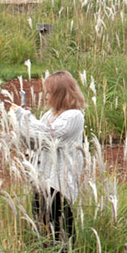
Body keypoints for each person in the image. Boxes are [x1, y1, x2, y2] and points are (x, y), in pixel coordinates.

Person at [9, 70, 88, 242]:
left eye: (50, 92)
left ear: (60, 94)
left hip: (59, 182)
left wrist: (24, 116)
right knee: (43, 223)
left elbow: (48, 135)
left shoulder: (75, 116)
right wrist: (21, 122)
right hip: (42, 178)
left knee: (60, 227)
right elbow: (33, 142)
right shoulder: (49, 115)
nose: (46, 97)